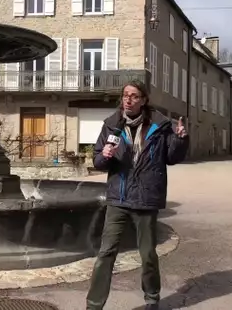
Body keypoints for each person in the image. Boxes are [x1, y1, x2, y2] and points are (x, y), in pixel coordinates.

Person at [86, 80, 189, 310]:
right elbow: (98, 162)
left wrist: (180, 139)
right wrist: (104, 155)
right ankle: (93, 305)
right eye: (125, 95)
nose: (128, 100)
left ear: (143, 100)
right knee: (106, 253)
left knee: (148, 255)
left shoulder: (160, 126)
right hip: (118, 199)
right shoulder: (111, 125)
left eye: (134, 96)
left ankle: (152, 300)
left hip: (145, 199)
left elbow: (172, 157)